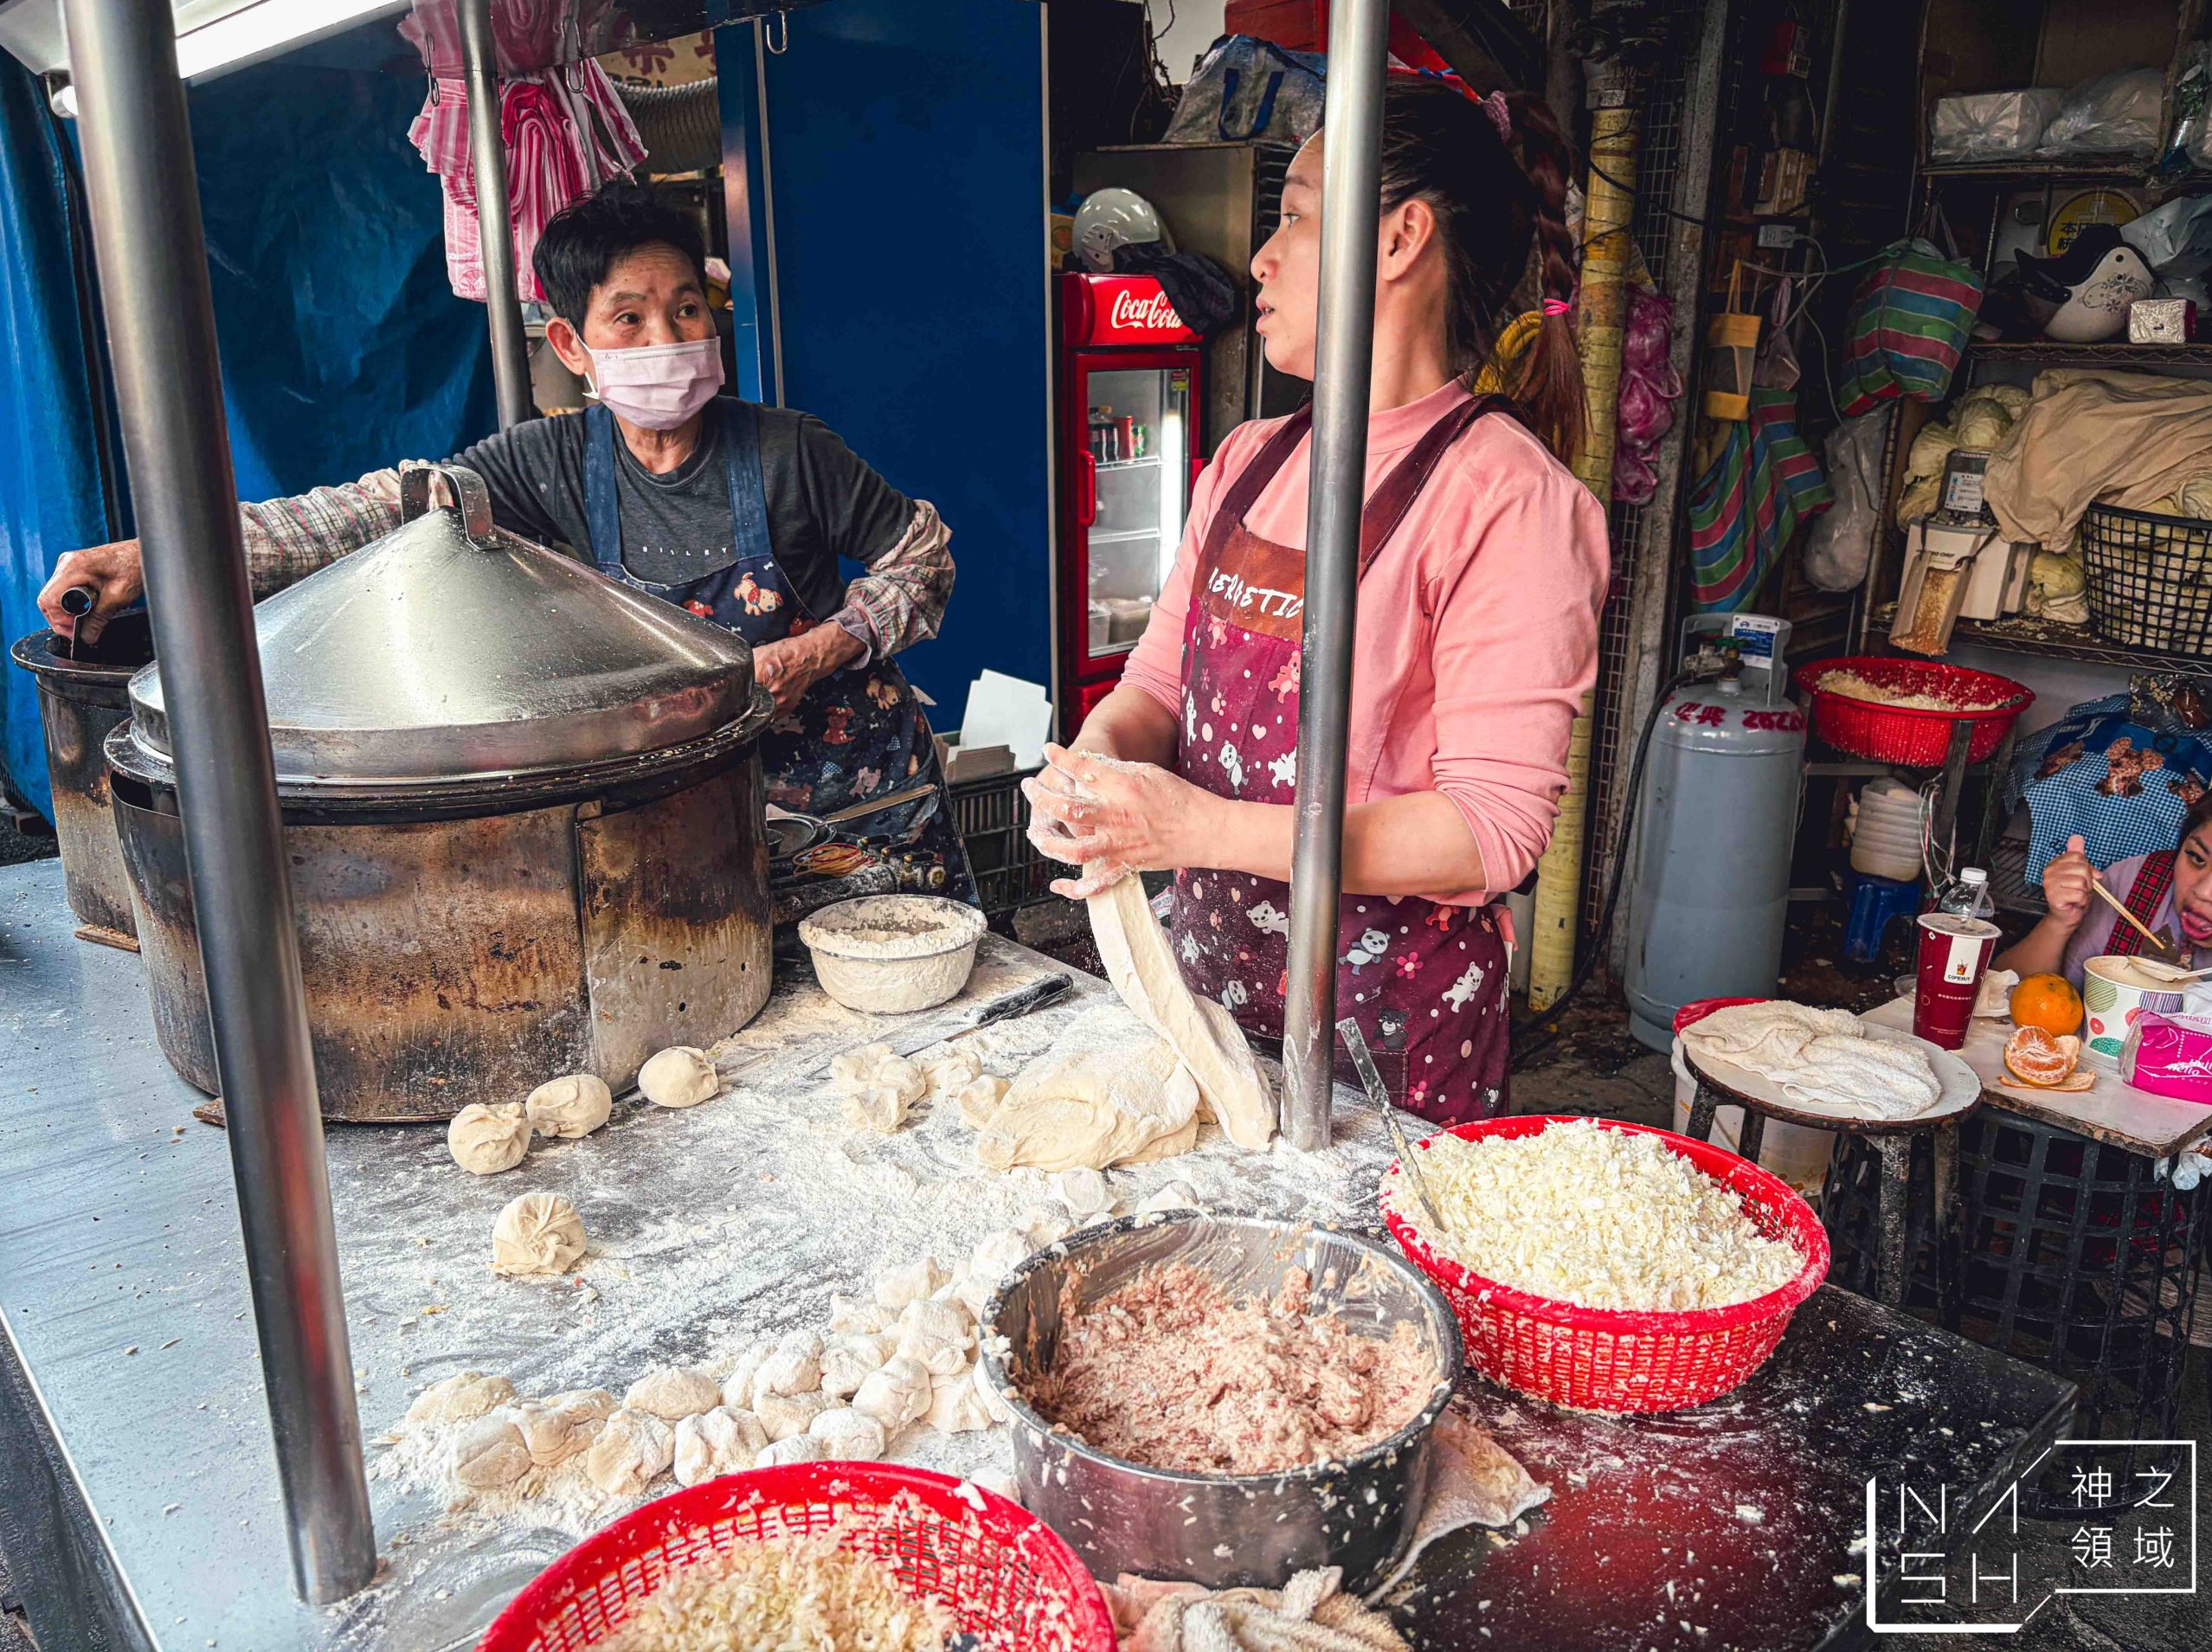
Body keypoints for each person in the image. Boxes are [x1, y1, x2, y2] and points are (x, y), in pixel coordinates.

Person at [39, 183, 974, 898]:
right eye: (630, 317)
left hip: (863, 798)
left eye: (686, 307)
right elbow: (373, 509)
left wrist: (824, 645)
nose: (667, 335)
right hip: (714, 815)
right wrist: (157, 554)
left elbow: (921, 554)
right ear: (572, 345)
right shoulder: (548, 464)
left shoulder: (789, 451)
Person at [1024, 77, 1608, 1122]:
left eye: (1291, 216)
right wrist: (1099, 771)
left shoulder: (1511, 501)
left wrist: (1196, 828)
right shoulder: (1250, 460)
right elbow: (1156, 687)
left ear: (1397, 239)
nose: (1259, 257)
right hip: (1205, 998)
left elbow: (1490, 831)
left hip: (1384, 1038)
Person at [1996, 800, 2212, 985]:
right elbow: (2002, 988)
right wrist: (2060, 922)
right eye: (2197, 858)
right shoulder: (2137, 882)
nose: (2204, 892)